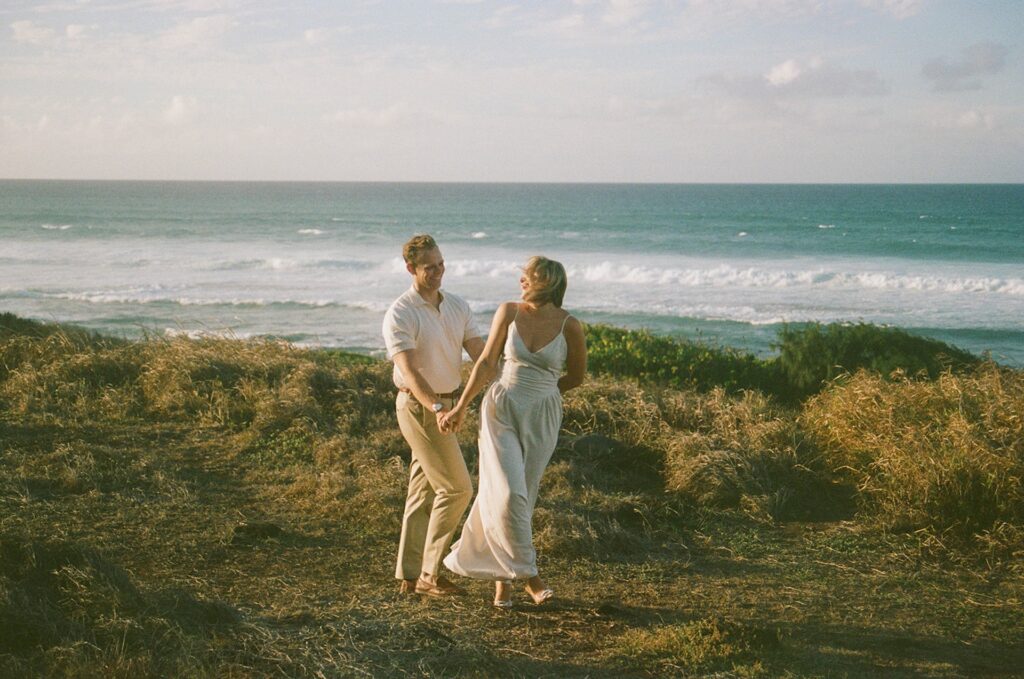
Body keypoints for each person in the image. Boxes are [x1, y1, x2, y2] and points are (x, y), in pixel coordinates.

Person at [440, 256, 587, 608]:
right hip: (501, 407)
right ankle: (531, 578)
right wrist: (460, 407)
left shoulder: (570, 326)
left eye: (529, 274)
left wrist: (543, 394)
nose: (521, 279)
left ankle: (501, 580)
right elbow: (487, 363)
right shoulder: (508, 311)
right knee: (508, 495)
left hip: (542, 414)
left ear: (548, 281)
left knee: (521, 493)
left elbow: (577, 377)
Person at [382, 234, 485, 596]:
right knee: (457, 488)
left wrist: (507, 381)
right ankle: (430, 575)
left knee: (423, 492)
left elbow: (481, 356)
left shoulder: (457, 306)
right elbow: (410, 371)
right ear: (410, 269)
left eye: (441, 264)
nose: (438, 272)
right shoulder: (401, 312)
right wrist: (438, 408)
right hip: (419, 407)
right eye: (430, 268)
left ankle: (409, 576)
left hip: (448, 405)